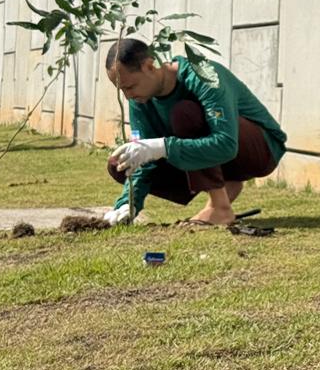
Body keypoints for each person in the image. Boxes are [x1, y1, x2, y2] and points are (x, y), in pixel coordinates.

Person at [102, 38, 287, 228]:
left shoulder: (203, 74)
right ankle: (226, 186)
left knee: (185, 113)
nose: (127, 96)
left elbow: (226, 144)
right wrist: (128, 203)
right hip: (220, 157)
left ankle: (219, 207)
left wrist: (162, 147)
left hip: (260, 150)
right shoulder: (140, 100)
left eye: (130, 86)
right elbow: (143, 158)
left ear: (150, 66)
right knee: (120, 164)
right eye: (121, 89)